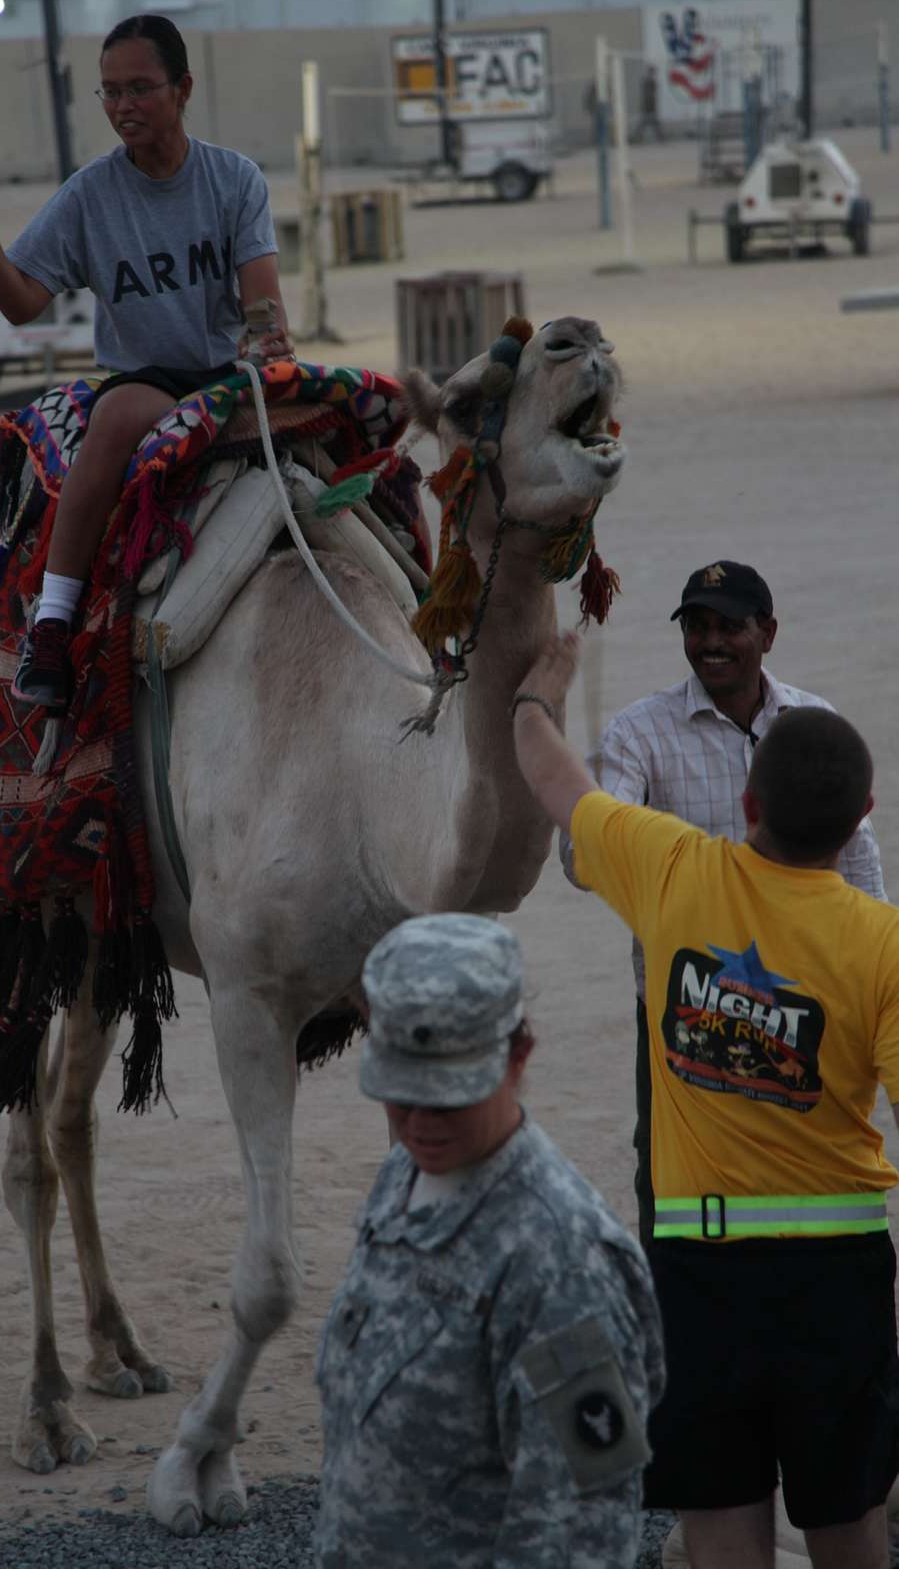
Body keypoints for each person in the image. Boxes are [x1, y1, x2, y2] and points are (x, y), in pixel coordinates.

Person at [513, 637, 899, 1569]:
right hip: (840, 1275)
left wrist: (532, 698)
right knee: (850, 1532)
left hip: (697, 1271)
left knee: (720, 1533)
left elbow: (556, 783)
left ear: (748, 804)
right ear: (862, 821)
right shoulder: (882, 943)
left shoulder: (675, 869)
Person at [0, 13, 292, 711]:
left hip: (227, 372)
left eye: (139, 89)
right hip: (148, 378)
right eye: (110, 92)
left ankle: (418, 601)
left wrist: (268, 341)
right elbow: (21, 304)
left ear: (182, 88)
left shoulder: (234, 179)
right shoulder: (89, 196)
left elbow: (261, 302)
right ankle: (54, 621)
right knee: (122, 410)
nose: (123, 107)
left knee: (361, 420)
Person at [315, 913, 665, 1569]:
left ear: (518, 1054)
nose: (419, 1123)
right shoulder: (403, 1178)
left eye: (448, 1097)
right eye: (400, 1093)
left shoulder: (563, 1264)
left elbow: (580, 1534)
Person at [560, 559, 886, 1245]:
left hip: (809, 997)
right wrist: (597, 832)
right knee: (667, 1182)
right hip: (685, 1007)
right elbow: (580, 861)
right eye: (697, 626)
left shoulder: (811, 720)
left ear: (766, 633)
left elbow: (857, 855)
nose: (710, 642)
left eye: (728, 627)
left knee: (808, 1165)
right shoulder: (636, 733)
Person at [630, 64, 664, 143]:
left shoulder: (651, 81)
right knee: (645, 124)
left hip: (650, 107)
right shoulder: (648, 81)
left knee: (650, 124)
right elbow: (648, 95)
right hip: (648, 107)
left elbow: (652, 94)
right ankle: (636, 138)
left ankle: (637, 138)